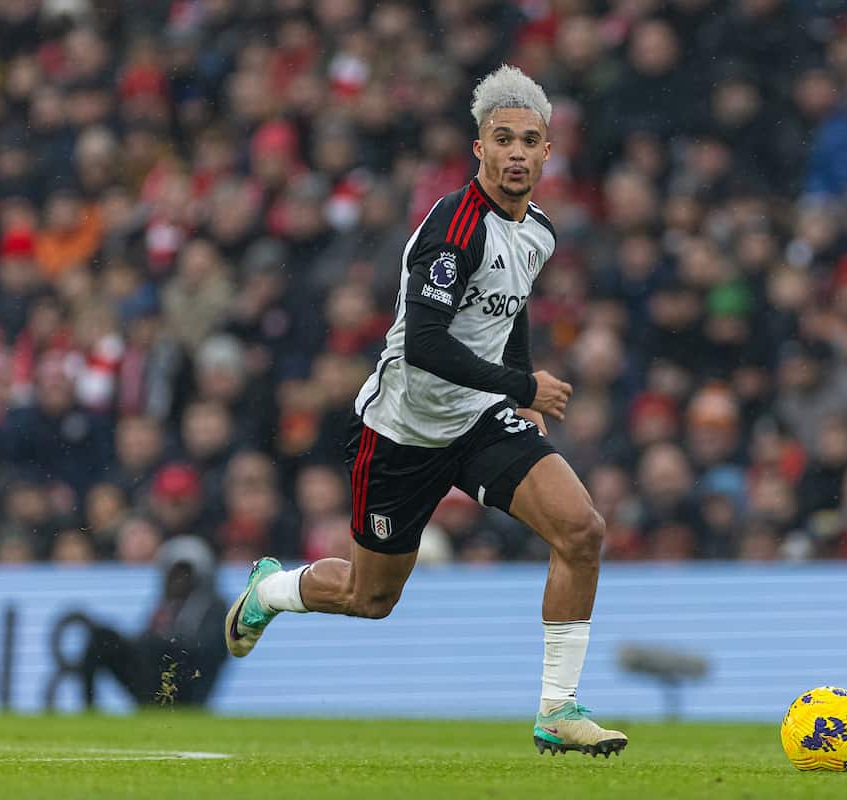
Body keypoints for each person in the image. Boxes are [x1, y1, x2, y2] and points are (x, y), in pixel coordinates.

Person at [224, 66, 627, 758]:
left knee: (582, 532)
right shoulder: (455, 227)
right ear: (479, 148)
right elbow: (424, 345)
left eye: (531, 140)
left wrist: (514, 391)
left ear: (549, 152)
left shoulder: (539, 232)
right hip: (401, 432)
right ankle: (273, 589)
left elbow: (516, 303)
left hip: (475, 421)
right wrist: (523, 387)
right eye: (503, 139)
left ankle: (557, 711)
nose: (517, 153)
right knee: (369, 598)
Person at [81, 536, 228, 707]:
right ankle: (89, 707)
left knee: (152, 644)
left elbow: (209, 650)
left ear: (199, 576)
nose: (176, 580)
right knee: (102, 637)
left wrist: (163, 641)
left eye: (183, 574)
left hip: (187, 687)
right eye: (172, 573)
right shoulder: (167, 605)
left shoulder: (214, 606)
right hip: (154, 678)